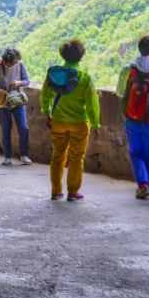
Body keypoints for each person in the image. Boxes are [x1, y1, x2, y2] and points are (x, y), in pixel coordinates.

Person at [41, 38, 101, 202]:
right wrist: (95, 122)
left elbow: (45, 95)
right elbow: (92, 104)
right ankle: (73, 192)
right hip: (79, 123)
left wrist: (47, 112)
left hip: (58, 121)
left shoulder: (53, 74)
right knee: (76, 157)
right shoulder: (84, 78)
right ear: (81, 57)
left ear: (63, 55)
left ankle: (56, 191)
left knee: (57, 155)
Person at [117, 35, 149, 200]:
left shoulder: (128, 69)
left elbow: (119, 92)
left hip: (132, 119)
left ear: (139, 49)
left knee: (135, 152)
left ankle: (143, 184)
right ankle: (146, 183)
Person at [0, 48, 32, 166]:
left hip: (17, 100)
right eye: (11, 63)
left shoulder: (20, 65)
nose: (13, 64)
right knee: (5, 128)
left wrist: (18, 83)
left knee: (23, 127)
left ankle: (24, 155)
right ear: (5, 61)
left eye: (14, 62)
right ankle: (7, 157)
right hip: (3, 101)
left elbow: (27, 81)